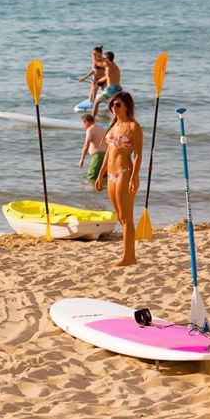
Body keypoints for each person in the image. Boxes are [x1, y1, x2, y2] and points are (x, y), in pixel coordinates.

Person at [95, 92, 142, 266]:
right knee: (120, 217)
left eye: (118, 105)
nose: (114, 108)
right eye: (112, 105)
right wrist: (100, 174)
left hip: (124, 172)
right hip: (111, 174)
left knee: (126, 217)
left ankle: (128, 257)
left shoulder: (133, 127)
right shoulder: (113, 126)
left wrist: (134, 177)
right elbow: (108, 152)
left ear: (127, 106)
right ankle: (130, 256)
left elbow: (137, 155)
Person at [91, 51, 123, 117]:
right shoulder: (116, 67)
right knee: (113, 104)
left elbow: (96, 63)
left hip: (111, 89)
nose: (103, 59)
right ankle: (113, 118)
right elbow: (107, 77)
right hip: (118, 88)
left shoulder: (107, 66)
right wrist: (97, 81)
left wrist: (93, 56)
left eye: (104, 58)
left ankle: (92, 119)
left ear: (107, 59)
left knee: (96, 102)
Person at [78, 113, 107, 183]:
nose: (83, 126)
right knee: (103, 176)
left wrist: (82, 160)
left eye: (83, 123)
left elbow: (86, 145)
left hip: (98, 157)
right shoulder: (101, 128)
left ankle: (92, 192)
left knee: (91, 176)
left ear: (87, 122)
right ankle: (103, 191)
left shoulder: (90, 129)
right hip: (106, 155)